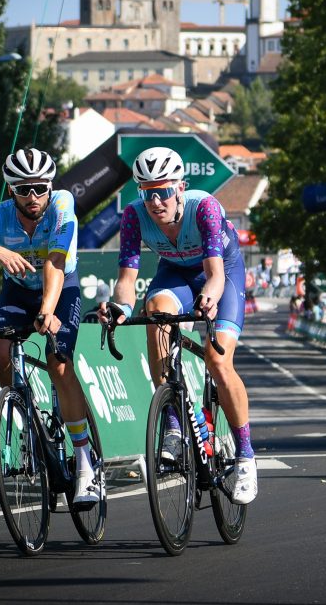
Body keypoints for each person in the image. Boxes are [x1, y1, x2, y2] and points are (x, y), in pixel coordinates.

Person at [97, 146, 258, 505]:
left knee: (217, 361)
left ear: (181, 187)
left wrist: (210, 299)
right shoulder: (133, 216)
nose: (155, 201)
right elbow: (127, 279)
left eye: (164, 191)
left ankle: (246, 456)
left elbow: (215, 276)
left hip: (221, 274)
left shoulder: (205, 208)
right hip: (177, 275)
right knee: (154, 310)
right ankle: (173, 421)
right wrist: (120, 306)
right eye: (147, 192)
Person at [0, 147, 98, 506]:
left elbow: (57, 262)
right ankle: (27, 412)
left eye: (40, 188)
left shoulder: (62, 204)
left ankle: (84, 464)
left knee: (59, 362)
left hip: (61, 286)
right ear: (10, 189)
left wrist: (47, 310)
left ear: (50, 186)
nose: (33, 197)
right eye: (23, 189)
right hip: (17, 290)